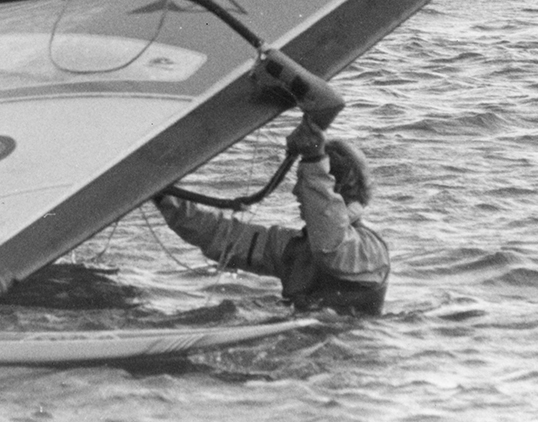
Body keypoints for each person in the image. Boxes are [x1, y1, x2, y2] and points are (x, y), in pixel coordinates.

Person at [155, 119, 390, 314]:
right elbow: (221, 236)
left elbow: (331, 246)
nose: (296, 191)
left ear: (335, 190)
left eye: (305, 182)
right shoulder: (291, 247)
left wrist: (314, 160)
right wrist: (163, 196)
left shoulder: (370, 251)